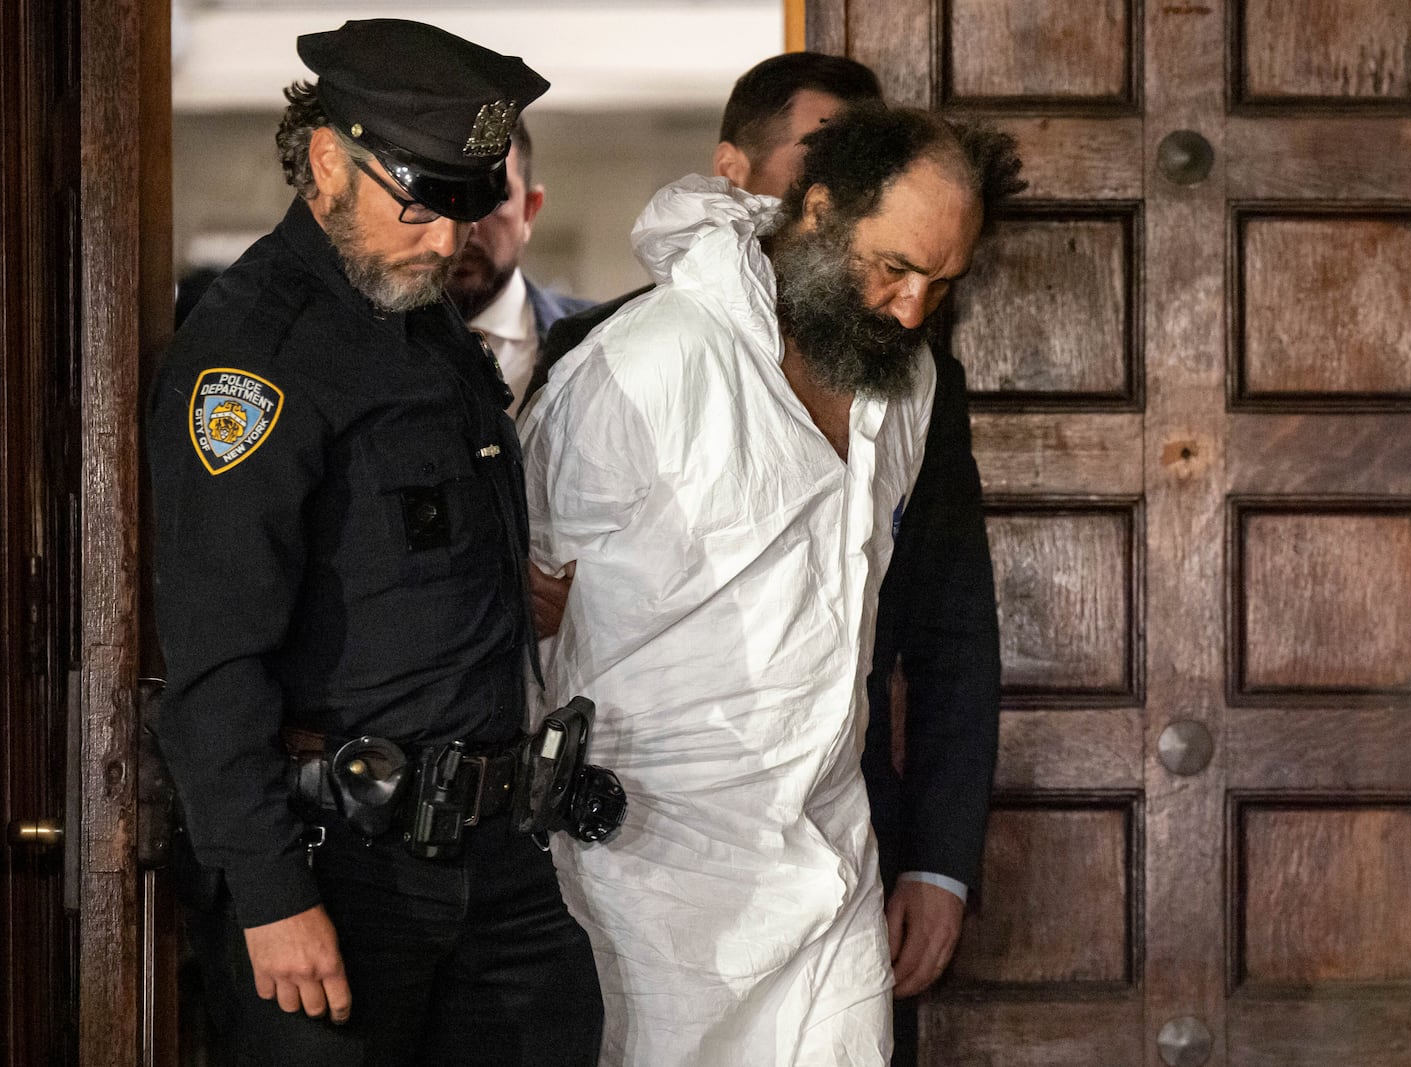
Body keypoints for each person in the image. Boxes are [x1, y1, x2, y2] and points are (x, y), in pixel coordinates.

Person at [522, 105, 1023, 1066]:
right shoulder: (640, 363)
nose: (914, 310)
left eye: (942, 282)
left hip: (830, 860)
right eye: (894, 268)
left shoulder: (906, 380)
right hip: (645, 872)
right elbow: (523, 617)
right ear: (819, 211)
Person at [146, 19, 602, 1066]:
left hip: (495, 858)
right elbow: (216, 663)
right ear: (323, 159)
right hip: (341, 869)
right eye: (418, 203)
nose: (446, 243)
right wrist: (270, 895)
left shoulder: (410, 305)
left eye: (464, 206)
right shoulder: (255, 359)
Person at [446, 120, 593, 415]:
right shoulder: (358, 346)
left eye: (492, 196)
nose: (469, 224)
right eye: (447, 195)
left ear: (529, 211)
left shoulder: (598, 341)